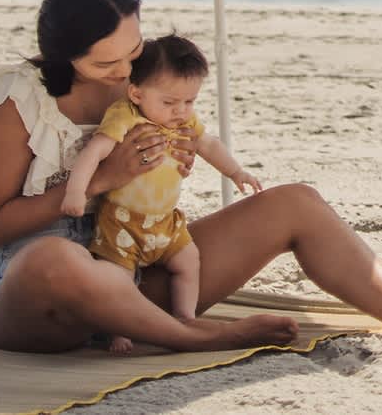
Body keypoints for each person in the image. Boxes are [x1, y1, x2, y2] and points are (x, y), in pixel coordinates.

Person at [0, 0, 382, 355]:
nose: (127, 71)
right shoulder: (19, 102)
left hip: (136, 275)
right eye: (108, 63)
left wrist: (166, 165)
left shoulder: (142, 83)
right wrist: (105, 177)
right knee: (56, 260)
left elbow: (165, 169)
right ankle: (200, 338)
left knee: (295, 203)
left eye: (133, 52)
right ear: (65, 55)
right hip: (36, 300)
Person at [60, 34, 262, 352]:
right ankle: (119, 332)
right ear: (137, 93)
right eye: (169, 102)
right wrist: (76, 192)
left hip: (166, 222)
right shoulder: (125, 116)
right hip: (122, 223)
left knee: (188, 260)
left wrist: (236, 172)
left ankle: (184, 316)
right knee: (119, 279)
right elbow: (95, 152)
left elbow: (207, 144)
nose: (180, 111)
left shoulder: (183, 122)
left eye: (190, 101)